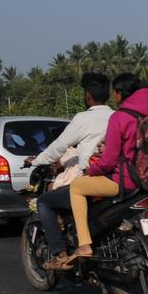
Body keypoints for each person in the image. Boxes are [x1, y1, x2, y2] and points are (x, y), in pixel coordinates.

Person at [64, 73, 148, 265]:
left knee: (77, 187)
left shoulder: (120, 117)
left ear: (119, 94)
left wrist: (91, 170)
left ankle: (84, 244)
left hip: (125, 181)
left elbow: (108, 161)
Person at [24, 72, 113, 270]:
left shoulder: (83, 118)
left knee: (45, 202)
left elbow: (59, 147)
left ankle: (60, 255)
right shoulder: (116, 116)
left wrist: (37, 160)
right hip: (117, 179)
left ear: (88, 96)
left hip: (92, 180)